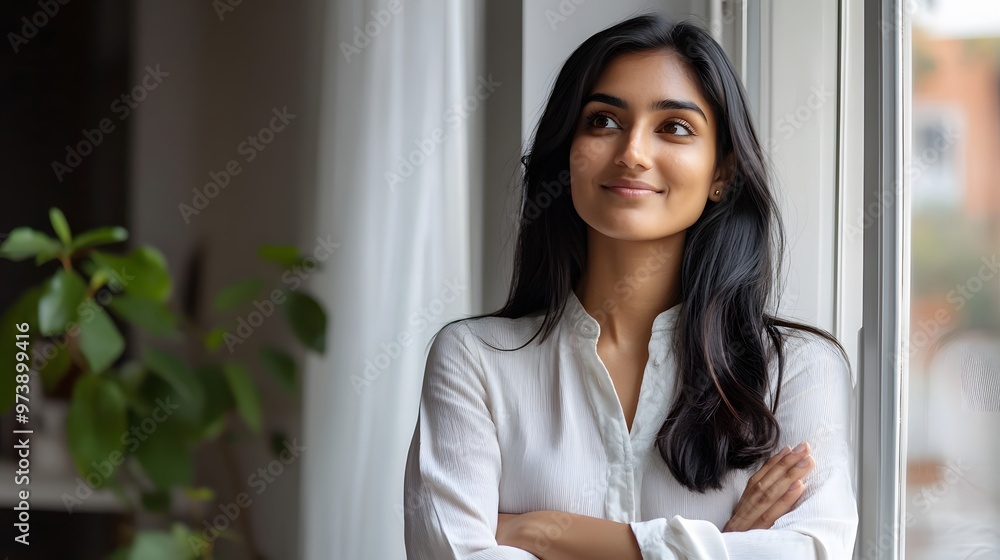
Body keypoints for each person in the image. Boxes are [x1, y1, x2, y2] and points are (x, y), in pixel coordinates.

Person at [403, 12, 858, 560]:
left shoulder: (797, 370)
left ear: (722, 174)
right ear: (566, 154)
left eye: (675, 127)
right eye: (602, 121)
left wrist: (540, 531)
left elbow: (810, 551)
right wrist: (727, 545)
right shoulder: (474, 360)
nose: (633, 153)